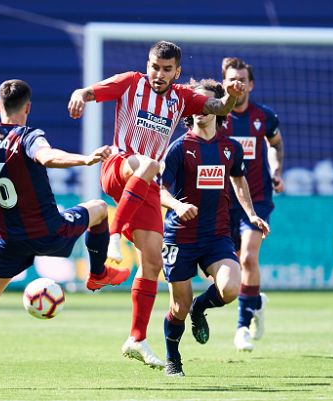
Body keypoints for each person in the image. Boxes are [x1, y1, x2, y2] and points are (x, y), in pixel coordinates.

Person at [0, 79, 127, 390]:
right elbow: (47, 156)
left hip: (8, 240)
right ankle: (97, 274)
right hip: (48, 231)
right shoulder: (29, 136)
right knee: (97, 208)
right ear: (27, 108)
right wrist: (85, 159)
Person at [68, 41, 246, 368]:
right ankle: (114, 236)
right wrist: (81, 93)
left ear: (177, 72)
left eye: (166, 69)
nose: (159, 74)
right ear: (147, 64)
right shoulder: (130, 82)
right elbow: (92, 91)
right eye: (154, 67)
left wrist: (232, 95)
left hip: (145, 185)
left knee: (151, 263)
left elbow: (220, 107)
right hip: (119, 165)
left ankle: (136, 338)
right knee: (149, 163)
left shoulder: (183, 97)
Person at [159, 79, 270, 377]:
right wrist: (177, 205)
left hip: (216, 236)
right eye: (195, 104)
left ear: (219, 109)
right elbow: (160, 190)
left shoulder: (231, 148)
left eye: (206, 103)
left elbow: (239, 180)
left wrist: (251, 214)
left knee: (231, 287)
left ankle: (200, 307)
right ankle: (173, 359)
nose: (201, 109)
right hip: (180, 237)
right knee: (178, 308)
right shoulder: (179, 148)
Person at [219, 57, 285, 352]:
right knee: (226, 268)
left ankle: (242, 327)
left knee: (248, 258)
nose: (238, 83)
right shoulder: (216, 116)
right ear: (224, 83)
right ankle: (255, 300)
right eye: (232, 79)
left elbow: (276, 143)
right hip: (222, 203)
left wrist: (277, 170)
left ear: (251, 84)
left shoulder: (264, 116)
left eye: (242, 79)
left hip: (257, 199)